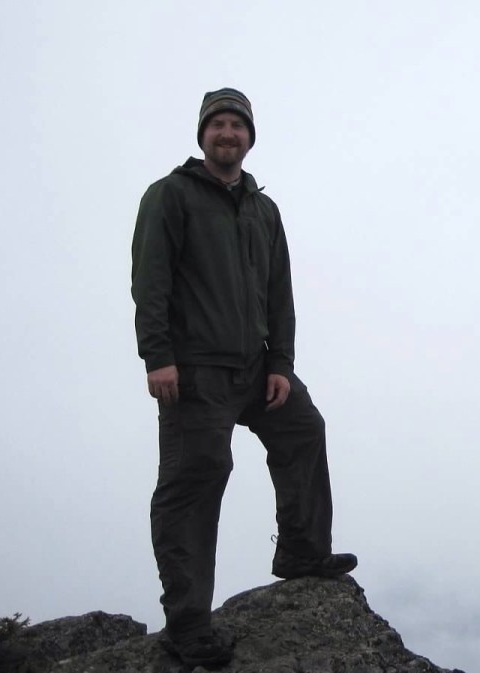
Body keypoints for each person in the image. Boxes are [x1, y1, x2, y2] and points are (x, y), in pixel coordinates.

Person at [131, 87, 357, 668]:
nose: (227, 133)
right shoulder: (170, 195)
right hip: (195, 371)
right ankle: (187, 625)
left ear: (250, 138)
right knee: (195, 481)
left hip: (257, 367)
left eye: (237, 125)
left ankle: (302, 552)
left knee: (303, 430)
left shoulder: (263, 209)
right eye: (218, 124)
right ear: (203, 134)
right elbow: (150, 281)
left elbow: (280, 292)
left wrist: (281, 364)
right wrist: (157, 356)